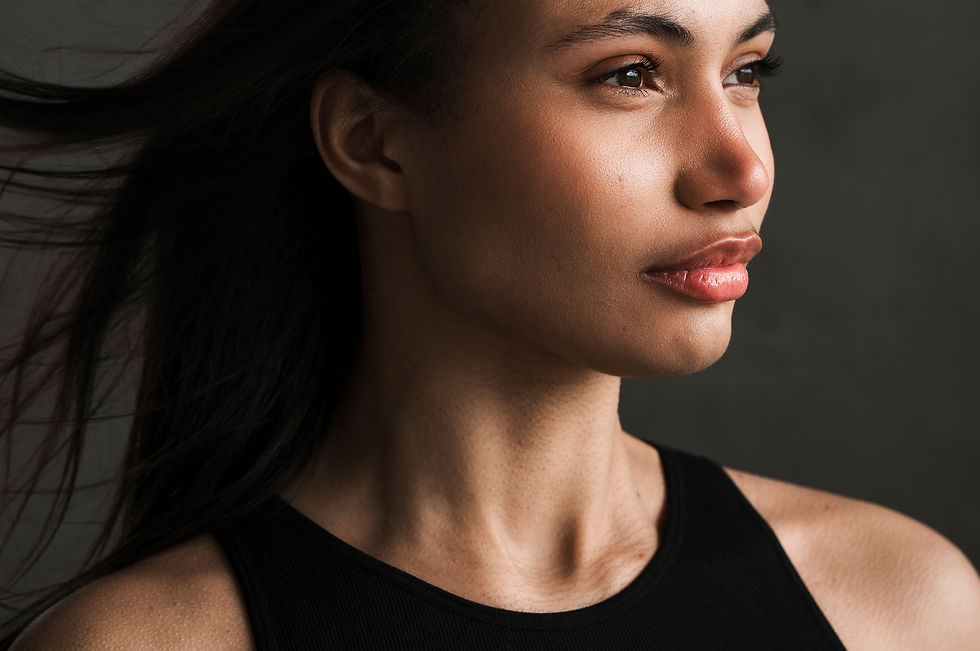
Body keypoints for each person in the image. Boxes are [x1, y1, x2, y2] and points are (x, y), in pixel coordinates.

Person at [2, 0, 979, 648]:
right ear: (371, 142)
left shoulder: (895, 608)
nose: (740, 172)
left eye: (746, 71)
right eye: (630, 75)